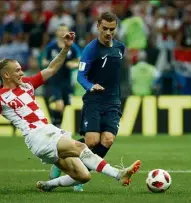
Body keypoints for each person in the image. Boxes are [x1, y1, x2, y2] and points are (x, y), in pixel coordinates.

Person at [0, 32, 141, 192]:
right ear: (6, 74)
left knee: (83, 176)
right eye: (17, 70)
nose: (22, 73)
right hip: (38, 136)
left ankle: (48, 185)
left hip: (47, 133)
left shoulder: (27, 85)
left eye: (21, 69)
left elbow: (51, 68)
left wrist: (65, 48)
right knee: (81, 147)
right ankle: (119, 174)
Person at [53, 11, 127, 192]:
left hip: (113, 102)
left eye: (112, 29)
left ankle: (79, 175)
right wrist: (91, 86)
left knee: (107, 140)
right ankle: (60, 159)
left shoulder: (120, 48)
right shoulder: (91, 49)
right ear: (98, 27)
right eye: (105, 29)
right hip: (94, 100)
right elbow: (80, 76)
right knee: (91, 141)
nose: (108, 32)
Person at [42, 23, 81, 128]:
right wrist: (47, 63)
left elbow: (80, 61)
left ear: (68, 32)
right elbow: (44, 60)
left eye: (65, 30)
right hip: (55, 81)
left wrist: (73, 64)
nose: (63, 32)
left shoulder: (73, 47)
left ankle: (56, 124)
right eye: (60, 30)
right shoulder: (51, 47)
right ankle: (56, 125)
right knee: (59, 105)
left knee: (65, 105)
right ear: (57, 32)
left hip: (67, 81)